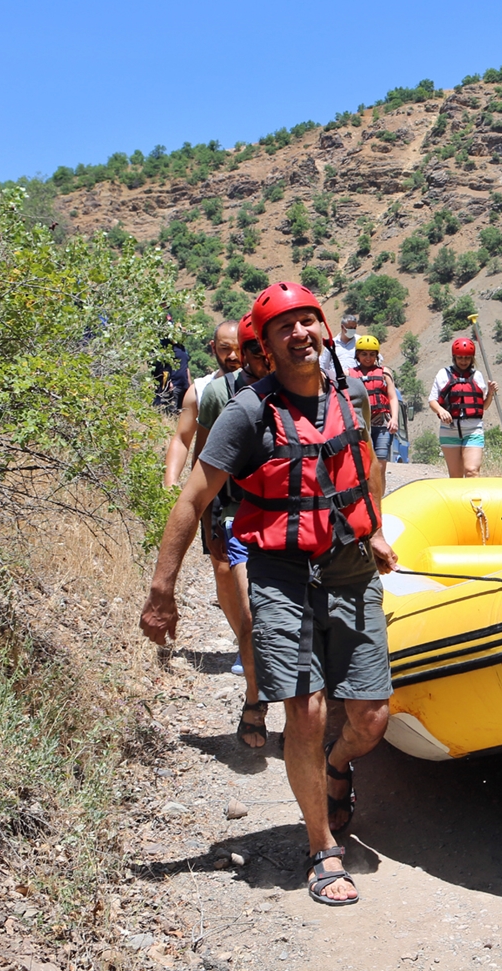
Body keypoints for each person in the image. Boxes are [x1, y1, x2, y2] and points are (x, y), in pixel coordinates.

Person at [140, 282, 397, 907]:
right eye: (286, 326)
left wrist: (379, 527)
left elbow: (362, 464)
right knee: (304, 713)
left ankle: (337, 769)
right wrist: (162, 589)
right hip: (281, 574)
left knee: (370, 717)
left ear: (325, 328)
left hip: (350, 569)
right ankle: (321, 848)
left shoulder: (352, 392)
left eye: (309, 320)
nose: (301, 332)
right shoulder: (247, 412)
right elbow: (193, 498)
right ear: (266, 342)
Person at [193, 316, 263, 743]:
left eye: (248, 346)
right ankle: (255, 699)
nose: (238, 356)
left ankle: (302, 720)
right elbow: (205, 460)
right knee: (255, 620)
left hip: (298, 523)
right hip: (239, 514)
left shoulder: (313, 388)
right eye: (231, 348)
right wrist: (209, 519)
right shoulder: (217, 393)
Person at [163, 320, 236, 488]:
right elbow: (182, 439)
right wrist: (170, 486)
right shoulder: (200, 390)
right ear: (213, 347)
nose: (233, 355)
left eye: (239, 348)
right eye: (225, 348)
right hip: (207, 487)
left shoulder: (261, 387)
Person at [428, 337, 496, 478]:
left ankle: (474, 500)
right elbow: (432, 401)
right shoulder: (443, 374)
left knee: (472, 471)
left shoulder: (477, 376)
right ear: (454, 357)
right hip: (449, 430)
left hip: (473, 429)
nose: (463, 361)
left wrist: (490, 393)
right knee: (456, 476)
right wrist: (441, 410)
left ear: (472, 358)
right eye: (460, 358)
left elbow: (484, 406)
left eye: (467, 358)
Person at [351, 334, 397, 505]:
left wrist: (394, 419)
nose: (368, 358)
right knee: (360, 467)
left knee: (380, 466)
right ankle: (362, 501)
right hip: (360, 426)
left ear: (377, 356)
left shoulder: (385, 373)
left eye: (372, 354)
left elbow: (392, 397)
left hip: (382, 424)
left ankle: (379, 503)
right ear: (357, 355)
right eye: (364, 354)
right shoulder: (349, 374)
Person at [330, 313, 360, 379]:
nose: (353, 330)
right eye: (350, 328)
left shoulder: (360, 341)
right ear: (342, 327)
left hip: (357, 381)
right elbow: (324, 364)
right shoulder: (332, 344)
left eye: (354, 328)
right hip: (337, 382)